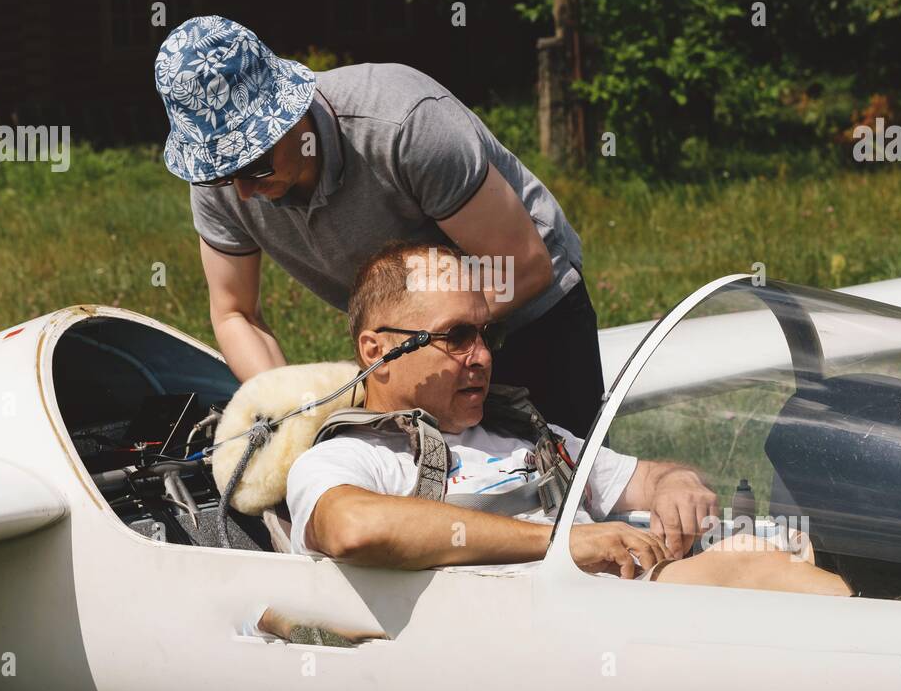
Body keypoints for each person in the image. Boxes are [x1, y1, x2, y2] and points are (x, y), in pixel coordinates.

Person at [284, 239, 852, 595]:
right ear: (377, 352)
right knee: (756, 572)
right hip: (561, 640)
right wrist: (561, 542)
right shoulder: (348, 457)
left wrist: (677, 485)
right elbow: (352, 529)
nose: (481, 355)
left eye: (487, 333)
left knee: (770, 557)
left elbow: (646, 478)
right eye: (456, 337)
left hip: (631, 616)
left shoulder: (525, 436)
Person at [155, 15, 604, 437]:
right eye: (219, 174)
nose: (242, 194)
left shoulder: (405, 124)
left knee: (569, 494)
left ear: (290, 115)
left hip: (531, 316)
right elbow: (237, 313)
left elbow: (522, 266)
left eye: (253, 167)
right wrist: (294, 411)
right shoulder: (223, 181)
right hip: (409, 345)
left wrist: (416, 348)